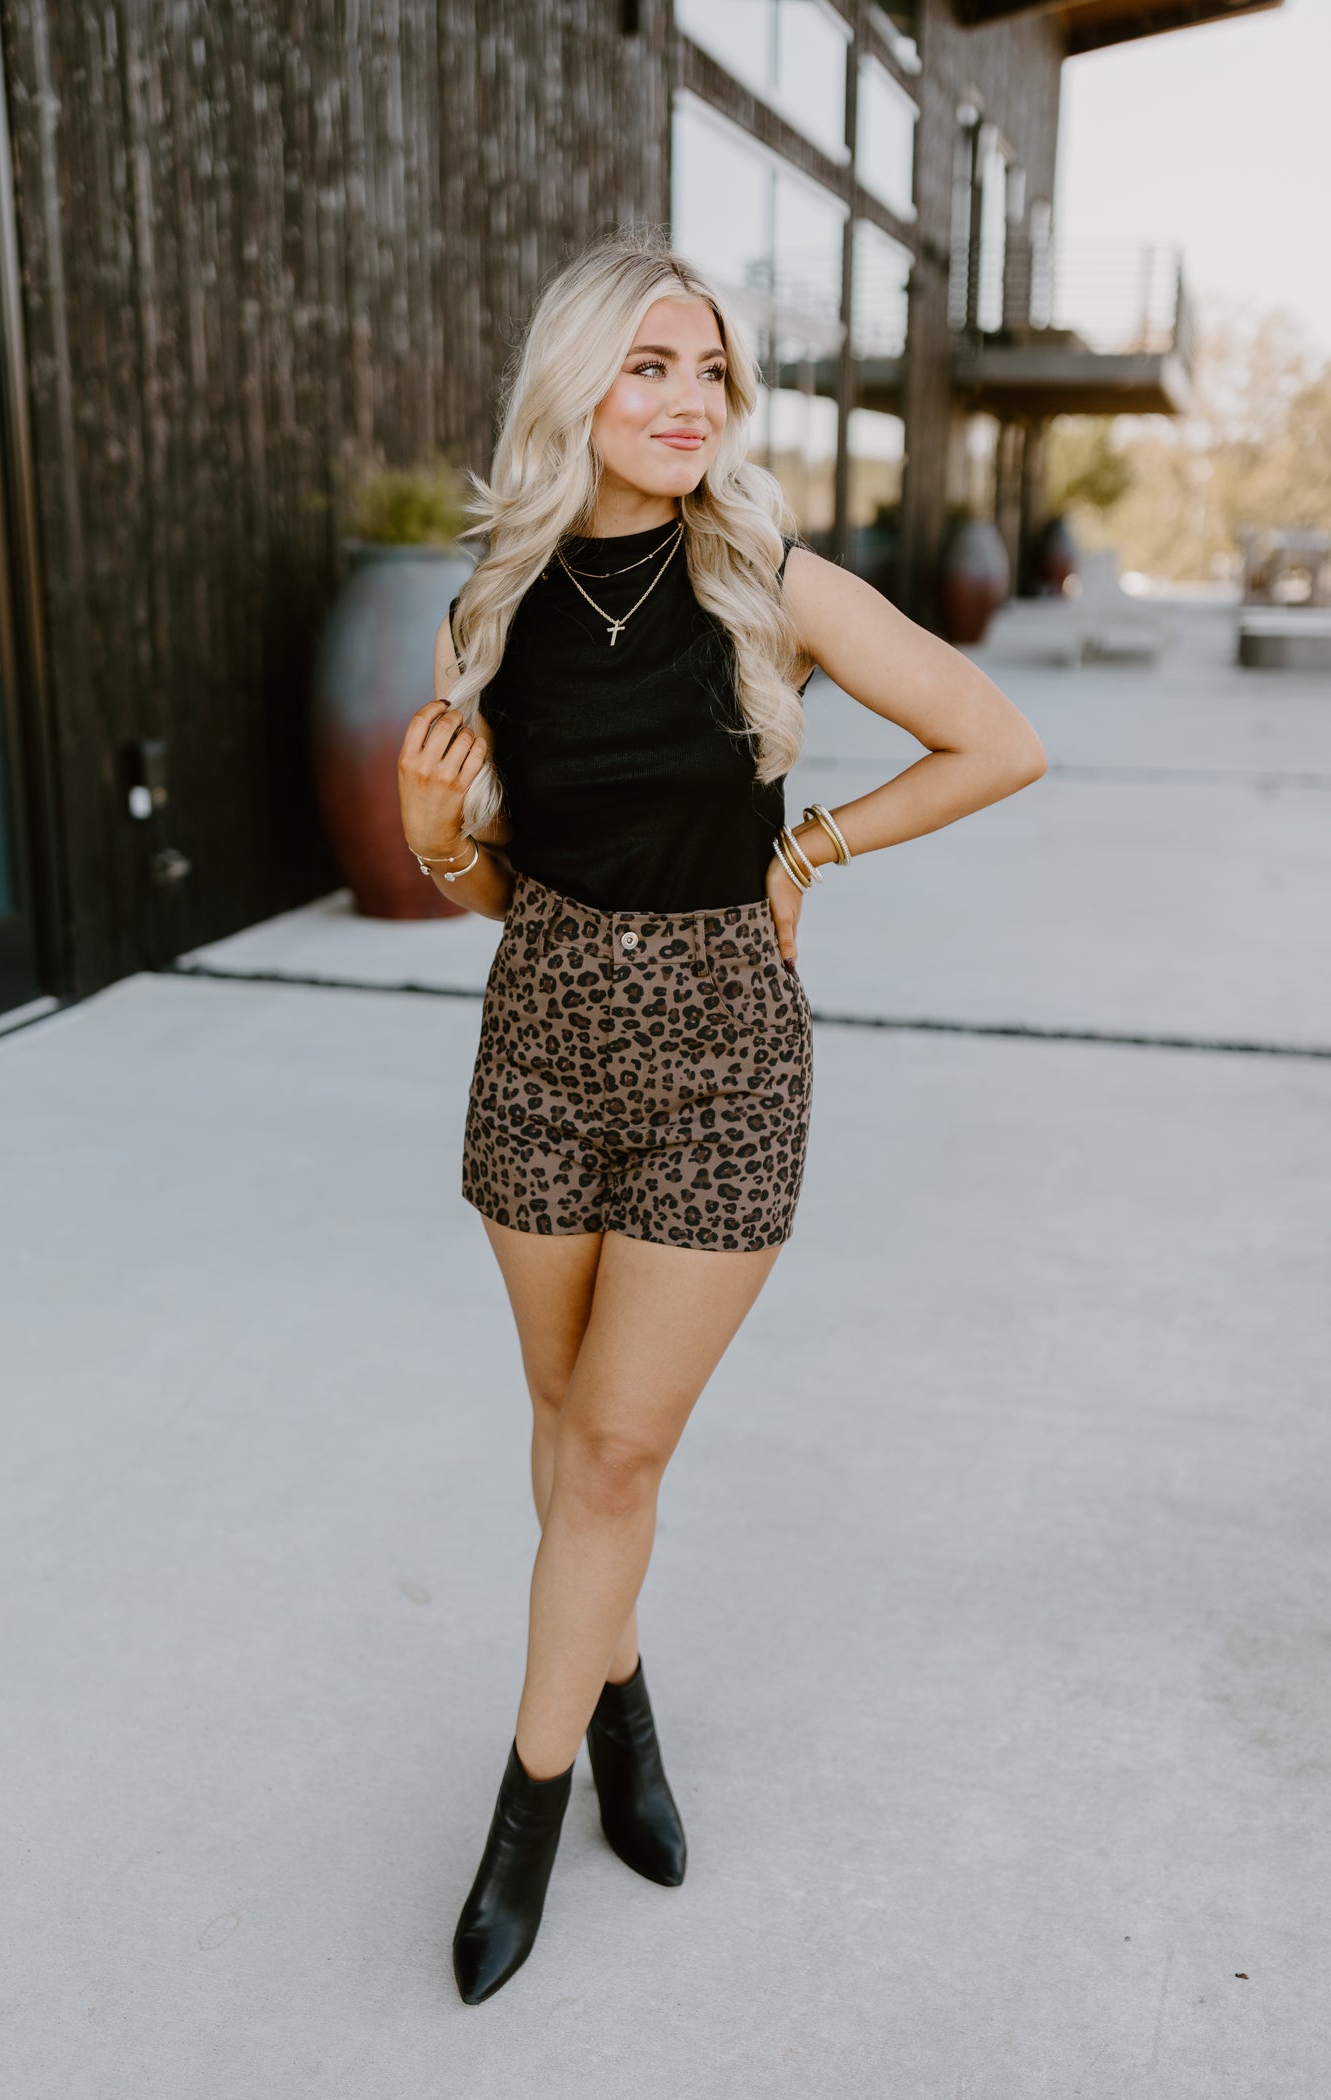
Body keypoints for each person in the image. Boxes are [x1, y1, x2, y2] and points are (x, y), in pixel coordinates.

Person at [396, 229, 1046, 2006]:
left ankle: (526, 1817)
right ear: (579, 388)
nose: (688, 402)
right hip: (537, 1047)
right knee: (560, 1416)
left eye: (712, 373)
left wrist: (810, 846)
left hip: (723, 1066)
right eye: (649, 368)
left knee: (615, 1453)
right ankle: (618, 1708)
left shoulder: (770, 579)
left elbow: (996, 740)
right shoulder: (494, 604)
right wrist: (431, 831)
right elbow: (498, 883)